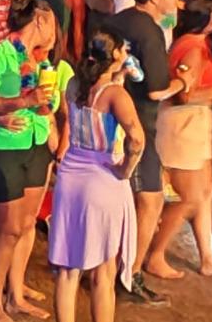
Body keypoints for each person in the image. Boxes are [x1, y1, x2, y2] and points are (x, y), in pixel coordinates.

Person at [47, 30, 146, 322]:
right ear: (115, 56)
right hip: (102, 178)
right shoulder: (115, 95)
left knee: (68, 270)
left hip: (70, 178)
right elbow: (137, 140)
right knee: (103, 272)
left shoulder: (74, 84)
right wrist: (126, 169)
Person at [0, 0, 60, 322]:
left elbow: (45, 105)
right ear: (38, 19)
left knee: (26, 225)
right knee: (8, 229)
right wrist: (19, 103)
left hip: (35, 143)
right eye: (52, 21)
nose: (55, 30)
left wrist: (47, 111)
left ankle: (16, 295)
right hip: (2, 148)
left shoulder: (42, 62)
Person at [102, 0, 179, 298]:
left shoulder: (114, 21)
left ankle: (108, 266)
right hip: (137, 125)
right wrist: (183, 82)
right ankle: (129, 275)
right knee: (150, 199)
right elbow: (156, 89)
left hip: (106, 121)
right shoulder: (151, 31)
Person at [155, 0, 212, 278]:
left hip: (193, 127)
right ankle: (154, 253)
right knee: (188, 198)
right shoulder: (191, 49)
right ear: (211, 19)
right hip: (183, 128)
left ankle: (207, 259)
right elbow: (184, 96)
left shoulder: (194, 44)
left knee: (204, 195)